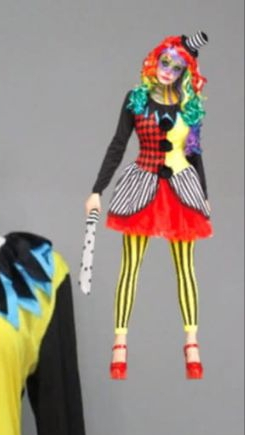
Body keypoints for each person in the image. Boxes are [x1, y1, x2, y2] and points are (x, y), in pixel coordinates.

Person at [85, 31, 211, 379]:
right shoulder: (136, 99)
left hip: (181, 186)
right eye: (165, 62)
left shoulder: (190, 105)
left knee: (185, 267)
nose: (168, 70)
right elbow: (118, 145)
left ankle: (192, 341)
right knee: (130, 265)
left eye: (177, 66)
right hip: (142, 184)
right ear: (155, 60)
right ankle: (120, 342)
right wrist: (97, 190)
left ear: (186, 71)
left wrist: (204, 193)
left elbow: (194, 152)